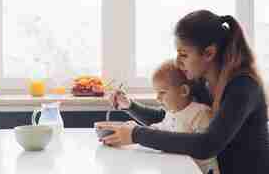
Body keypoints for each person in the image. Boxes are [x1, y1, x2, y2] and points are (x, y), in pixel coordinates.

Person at [95, 10, 269, 173]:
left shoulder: (243, 87)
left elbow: (207, 145)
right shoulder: (203, 83)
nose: (178, 63)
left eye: (183, 55)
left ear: (209, 53)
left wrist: (136, 135)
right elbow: (174, 120)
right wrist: (130, 106)